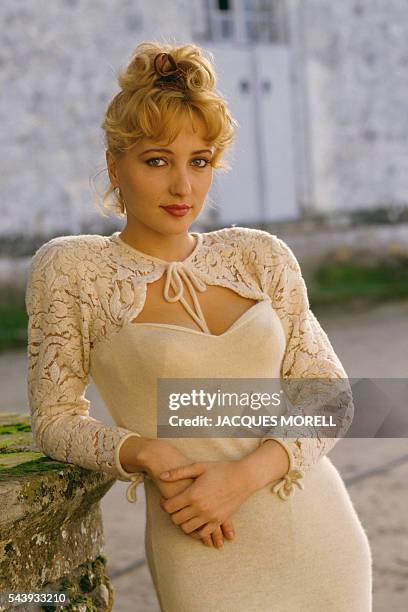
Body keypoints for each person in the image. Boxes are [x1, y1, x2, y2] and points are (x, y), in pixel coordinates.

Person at [26, 41, 372, 611]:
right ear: (115, 165)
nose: (183, 186)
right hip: (199, 539)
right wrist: (145, 451)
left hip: (317, 531)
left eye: (200, 161)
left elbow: (330, 396)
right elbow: (56, 420)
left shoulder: (259, 255)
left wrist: (242, 477)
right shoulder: (73, 269)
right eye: (157, 160)